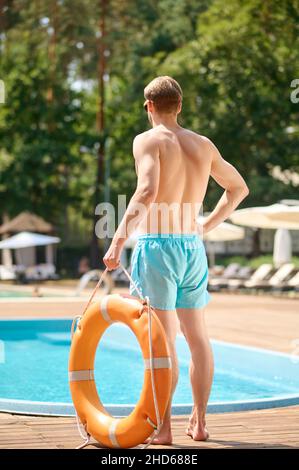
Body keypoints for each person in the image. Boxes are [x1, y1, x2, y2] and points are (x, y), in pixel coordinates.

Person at [103, 76, 249, 445]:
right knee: (197, 338)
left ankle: (163, 428)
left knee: (162, 341)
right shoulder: (203, 144)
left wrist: (118, 240)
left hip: (157, 249)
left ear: (149, 106)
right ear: (179, 105)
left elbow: (148, 190)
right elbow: (238, 189)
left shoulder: (147, 140)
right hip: (191, 248)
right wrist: (206, 226)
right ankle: (199, 424)